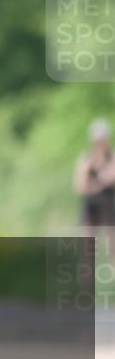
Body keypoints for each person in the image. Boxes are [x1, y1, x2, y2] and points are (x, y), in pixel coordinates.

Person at [74, 118, 115, 279]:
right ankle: (86, 283)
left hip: (109, 205)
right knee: (88, 246)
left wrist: (96, 182)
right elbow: (80, 186)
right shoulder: (85, 159)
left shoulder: (112, 158)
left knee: (112, 244)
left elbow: (110, 177)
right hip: (90, 206)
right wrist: (99, 181)